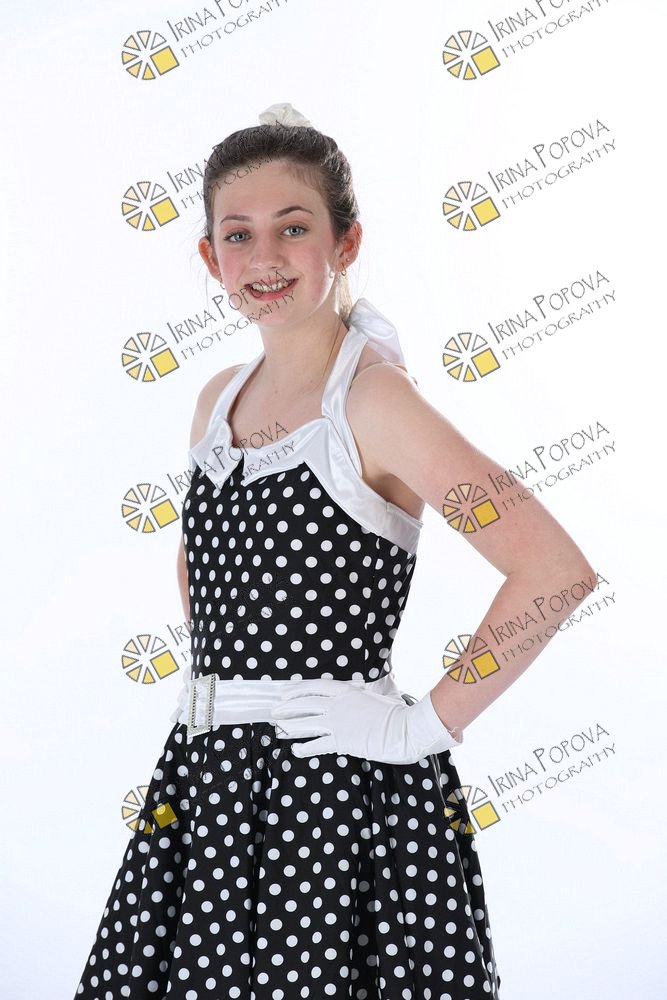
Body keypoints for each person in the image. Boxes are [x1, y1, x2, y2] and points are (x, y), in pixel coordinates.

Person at [74, 102, 596, 999]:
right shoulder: (216, 400)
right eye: (237, 235)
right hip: (210, 782)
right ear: (210, 257)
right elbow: (210, 573)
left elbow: (553, 571)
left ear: (345, 242)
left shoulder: (373, 403)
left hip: (337, 788)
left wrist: (423, 725)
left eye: (293, 228)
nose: (264, 257)